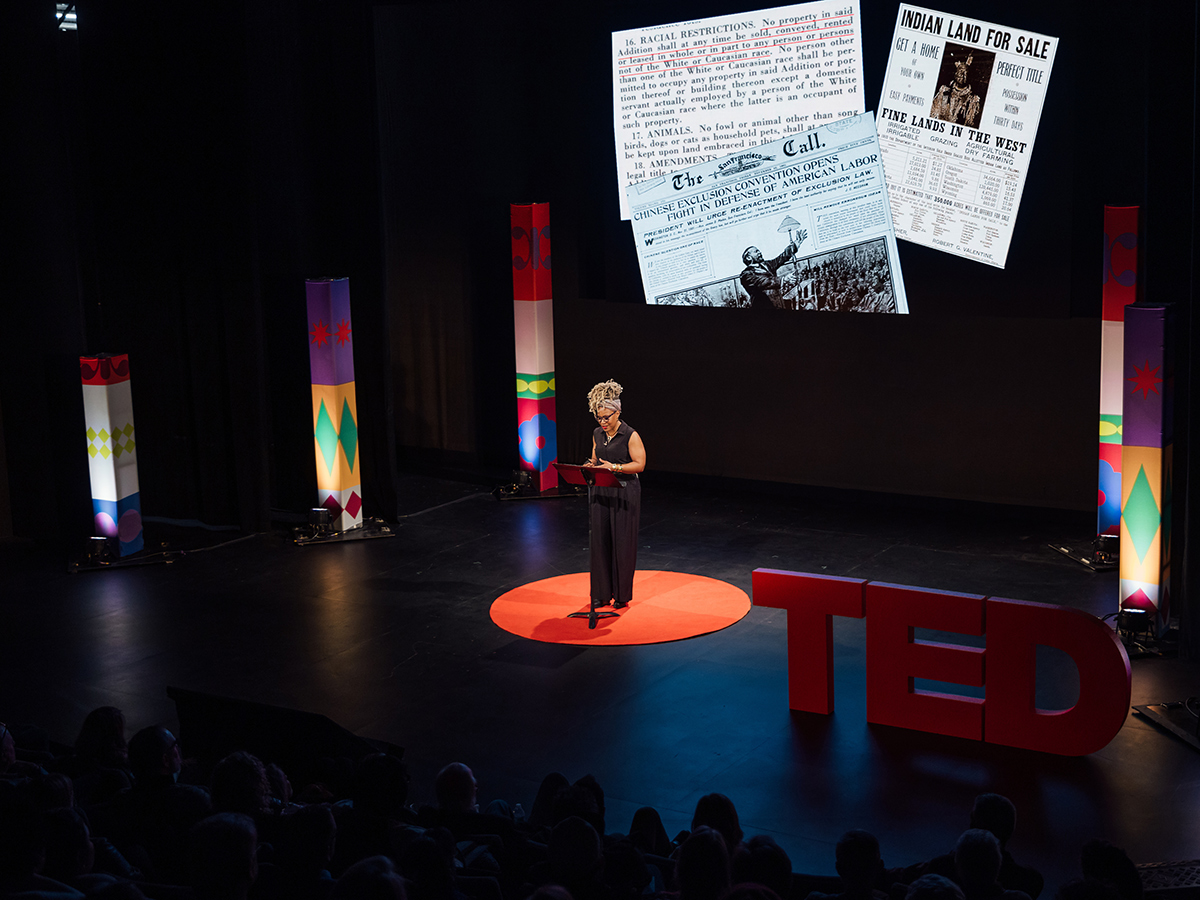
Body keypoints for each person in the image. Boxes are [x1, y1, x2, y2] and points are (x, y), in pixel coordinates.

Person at [584, 381, 646, 610]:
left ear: (617, 412)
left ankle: (621, 595)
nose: (603, 421)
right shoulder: (597, 434)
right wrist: (589, 466)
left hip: (624, 491)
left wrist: (615, 468)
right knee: (599, 541)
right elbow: (595, 459)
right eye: (599, 417)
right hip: (601, 489)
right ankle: (600, 593)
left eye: (607, 417)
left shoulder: (630, 435)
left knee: (622, 542)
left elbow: (640, 465)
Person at [739, 233, 805, 310]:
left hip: (779, 304)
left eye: (759, 251)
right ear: (749, 257)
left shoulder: (767, 265)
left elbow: (782, 257)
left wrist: (795, 245)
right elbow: (764, 282)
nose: (760, 252)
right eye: (756, 251)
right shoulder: (746, 274)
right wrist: (784, 279)